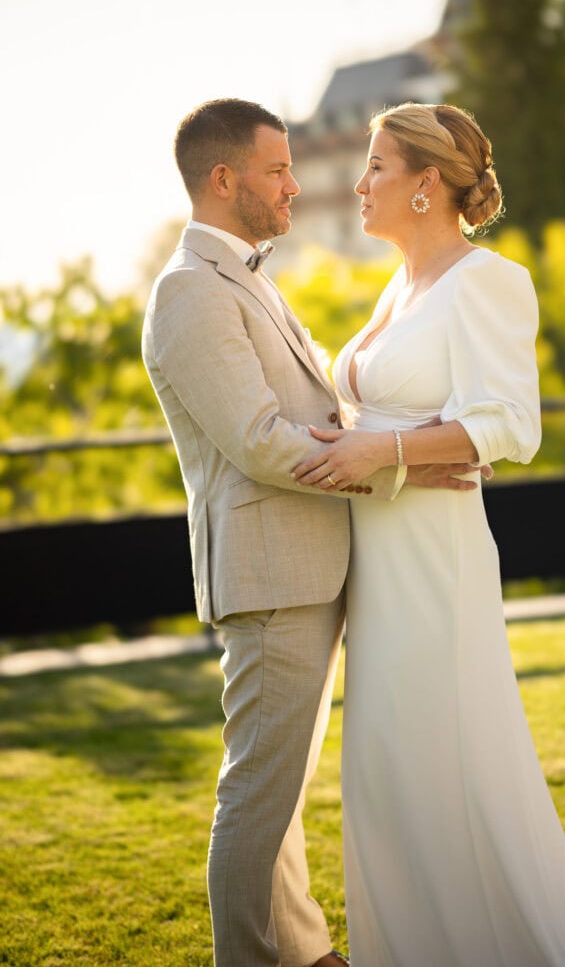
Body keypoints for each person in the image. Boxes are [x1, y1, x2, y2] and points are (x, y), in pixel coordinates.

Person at [292, 102, 565, 966]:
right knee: (388, 773)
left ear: (427, 185)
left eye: (377, 167)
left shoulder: (489, 280)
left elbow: (509, 423)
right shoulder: (400, 284)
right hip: (378, 562)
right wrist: (384, 451)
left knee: (440, 757)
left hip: (435, 559)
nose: (359, 185)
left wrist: (385, 448)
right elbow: (375, 413)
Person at [141, 98, 477, 967]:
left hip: (304, 567)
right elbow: (257, 441)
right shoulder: (188, 292)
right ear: (225, 180)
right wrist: (397, 464)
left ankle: (303, 952)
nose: (297, 186)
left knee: (279, 793)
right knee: (257, 793)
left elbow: (314, 411)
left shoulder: (245, 277)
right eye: (278, 170)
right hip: (268, 575)